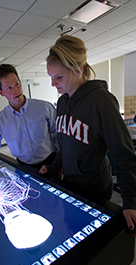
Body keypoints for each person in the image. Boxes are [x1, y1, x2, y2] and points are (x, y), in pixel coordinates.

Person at [39, 34, 136, 233]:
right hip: (70, 184)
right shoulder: (64, 101)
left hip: (95, 188)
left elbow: (124, 154)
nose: (53, 84)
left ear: (77, 69)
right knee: (72, 231)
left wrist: (131, 201)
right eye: (51, 77)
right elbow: (64, 144)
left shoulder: (102, 101)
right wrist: (53, 167)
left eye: (58, 77)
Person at [0, 64, 57, 188]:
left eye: (17, 84)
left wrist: (62, 163)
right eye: (9, 88)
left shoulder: (45, 108)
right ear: (1, 92)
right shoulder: (0, 120)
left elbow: (60, 136)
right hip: (23, 168)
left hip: (51, 164)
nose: (16, 90)